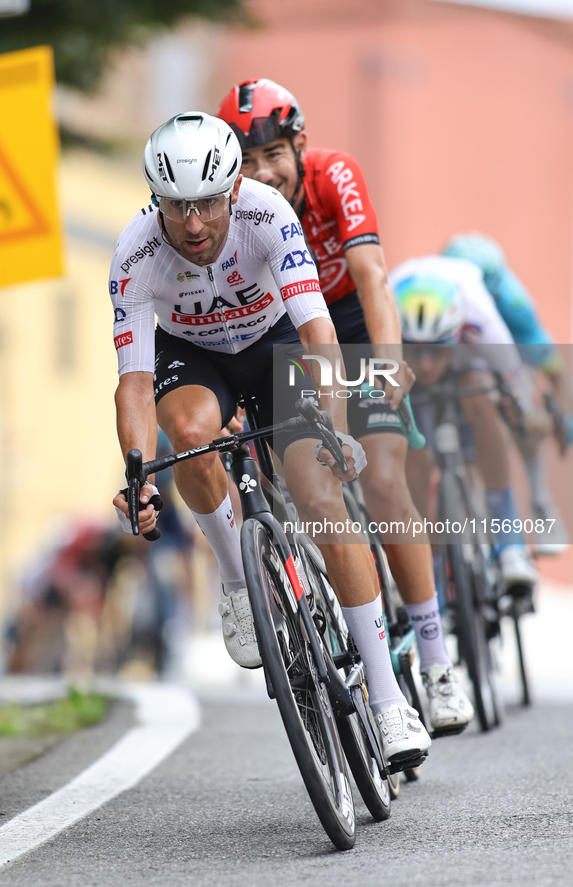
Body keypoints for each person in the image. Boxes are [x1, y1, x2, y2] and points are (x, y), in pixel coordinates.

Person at [109, 111, 430, 765]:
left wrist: (334, 431)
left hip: (276, 340)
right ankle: (236, 579)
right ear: (155, 200)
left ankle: (390, 700)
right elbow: (135, 386)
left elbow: (318, 334)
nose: (192, 224)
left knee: (319, 497)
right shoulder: (135, 253)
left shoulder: (265, 215)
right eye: (175, 207)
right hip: (192, 355)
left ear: (231, 191)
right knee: (190, 435)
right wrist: (137, 473)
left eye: (205, 203)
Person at [218, 79, 474, 735]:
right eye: (245, 164)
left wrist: (385, 360)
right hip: (287, 333)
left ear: (299, 143)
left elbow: (370, 276)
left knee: (385, 478)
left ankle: (438, 663)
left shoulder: (335, 175)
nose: (261, 173)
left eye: (272, 154)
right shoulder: (232, 211)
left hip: (351, 324)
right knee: (302, 478)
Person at [390, 252, 548, 586]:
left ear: (455, 331)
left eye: (436, 349)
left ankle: (509, 546)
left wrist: (527, 414)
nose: (428, 363)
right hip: (409, 374)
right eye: (419, 350)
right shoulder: (388, 314)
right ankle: (428, 567)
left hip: (467, 361)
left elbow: (516, 380)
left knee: (480, 394)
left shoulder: (481, 318)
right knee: (413, 450)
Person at [441, 233, 571, 553]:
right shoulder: (443, 293)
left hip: (503, 352)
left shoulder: (514, 306)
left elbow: (553, 371)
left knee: (527, 406)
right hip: (457, 353)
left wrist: (563, 416)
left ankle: (540, 500)